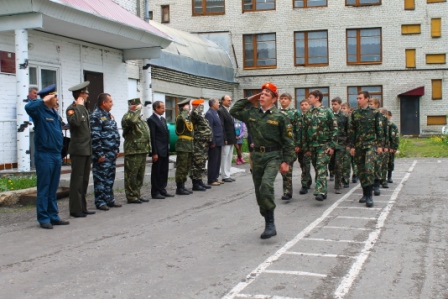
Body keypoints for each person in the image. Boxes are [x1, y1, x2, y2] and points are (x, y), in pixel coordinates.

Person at [230, 82, 295, 239]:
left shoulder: (280, 117)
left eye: (266, 94)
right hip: (257, 156)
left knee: (266, 185)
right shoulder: (252, 113)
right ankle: (266, 217)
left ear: (273, 100)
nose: (262, 96)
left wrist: (287, 161)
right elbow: (234, 110)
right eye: (261, 94)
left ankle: (270, 225)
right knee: (260, 191)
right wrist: (251, 98)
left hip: (273, 156)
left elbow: (289, 141)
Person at [25, 84, 69, 229]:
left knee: (53, 187)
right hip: (44, 155)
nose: (57, 99)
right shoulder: (40, 111)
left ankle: (53, 216)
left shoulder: (54, 113)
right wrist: (42, 100)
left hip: (56, 154)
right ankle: (43, 218)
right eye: (55, 96)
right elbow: (28, 108)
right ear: (48, 97)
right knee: (44, 187)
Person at [348, 91, 384, 208]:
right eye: (357, 98)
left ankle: (369, 196)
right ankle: (365, 193)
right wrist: (352, 146)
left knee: (369, 169)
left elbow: (379, 129)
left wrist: (380, 145)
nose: (358, 100)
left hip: (371, 145)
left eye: (360, 98)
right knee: (361, 171)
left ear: (367, 99)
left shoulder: (374, 113)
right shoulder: (355, 113)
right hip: (359, 146)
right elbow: (352, 131)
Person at [66, 81, 96, 218]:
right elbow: (75, 122)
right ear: (80, 95)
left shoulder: (83, 109)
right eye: (86, 93)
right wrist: (78, 106)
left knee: (84, 180)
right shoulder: (73, 109)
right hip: (78, 150)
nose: (88, 95)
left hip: (86, 149)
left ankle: (82, 207)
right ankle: (75, 209)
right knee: (76, 180)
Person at [302, 90, 338, 201]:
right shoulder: (308, 112)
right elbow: (304, 131)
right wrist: (306, 148)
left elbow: (334, 129)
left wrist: (332, 146)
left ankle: (320, 192)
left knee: (321, 166)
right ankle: (323, 189)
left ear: (317, 98)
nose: (308, 99)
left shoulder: (327, 111)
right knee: (317, 168)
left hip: (324, 145)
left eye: (310, 97)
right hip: (312, 146)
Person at [90, 93, 121, 210]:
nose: (112, 104)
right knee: (100, 178)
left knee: (110, 177)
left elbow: (114, 132)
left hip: (111, 152)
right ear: (104, 103)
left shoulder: (109, 116)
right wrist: (99, 153)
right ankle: (100, 201)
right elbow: (95, 136)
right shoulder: (96, 116)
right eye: (110, 102)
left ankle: (109, 199)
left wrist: (116, 149)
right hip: (103, 153)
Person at [121, 98, 151, 204]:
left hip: (142, 150)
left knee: (139, 174)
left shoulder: (140, 118)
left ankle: (137, 194)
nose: (140, 108)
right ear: (133, 107)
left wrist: (149, 147)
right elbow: (132, 121)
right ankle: (131, 196)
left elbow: (146, 133)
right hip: (133, 150)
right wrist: (137, 110)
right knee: (131, 175)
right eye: (138, 106)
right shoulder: (128, 117)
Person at [147, 101, 174, 199]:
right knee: (156, 172)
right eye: (162, 108)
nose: (164, 109)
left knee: (164, 171)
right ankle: (155, 191)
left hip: (165, 150)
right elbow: (152, 137)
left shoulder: (162, 119)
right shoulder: (151, 120)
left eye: (164, 107)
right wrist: (154, 152)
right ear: (156, 109)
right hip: (158, 150)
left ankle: (162, 189)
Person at [278, 92, 301, 200]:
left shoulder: (295, 113)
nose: (283, 100)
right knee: (282, 169)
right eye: (281, 99)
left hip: (290, 145)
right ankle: (287, 190)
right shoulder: (276, 113)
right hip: (279, 145)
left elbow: (298, 129)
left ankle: (287, 192)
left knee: (288, 167)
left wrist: (298, 144)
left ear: (290, 100)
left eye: (285, 99)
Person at [190, 99, 213, 191]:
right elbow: (194, 115)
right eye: (201, 105)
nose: (202, 107)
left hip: (204, 143)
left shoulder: (201, 115)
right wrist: (196, 108)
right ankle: (195, 183)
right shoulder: (194, 114)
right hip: (198, 143)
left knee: (202, 162)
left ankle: (199, 181)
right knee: (197, 162)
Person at [175, 99, 194, 195]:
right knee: (181, 167)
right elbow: (181, 120)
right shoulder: (180, 118)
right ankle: (179, 187)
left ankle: (183, 185)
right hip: (182, 146)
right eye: (188, 107)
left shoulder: (187, 119)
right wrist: (184, 111)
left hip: (189, 146)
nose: (189, 109)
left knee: (186, 167)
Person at [369, 98, 388, 195]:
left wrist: (384, 145)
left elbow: (385, 133)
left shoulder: (382, 117)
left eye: (371, 104)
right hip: (370, 144)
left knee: (377, 165)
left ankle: (377, 185)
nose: (370, 105)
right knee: (369, 166)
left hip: (378, 145)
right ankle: (370, 185)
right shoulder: (368, 116)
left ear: (377, 105)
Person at [331, 97, 350, 193]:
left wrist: (348, 144)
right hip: (331, 144)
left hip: (341, 143)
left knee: (339, 164)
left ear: (340, 105)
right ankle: (333, 177)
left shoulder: (345, 116)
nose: (333, 106)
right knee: (331, 164)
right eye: (332, 104)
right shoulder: (329, 115)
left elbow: (349, 131)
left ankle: (338, 184)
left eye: (335, 104)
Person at [205, 98, 225, 186]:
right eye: (217, 103)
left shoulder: (215, 113)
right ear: (213, 104)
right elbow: (210, 128)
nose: (219, 104)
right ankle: (211, 179)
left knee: (217, 160)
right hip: (214, 141)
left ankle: (215, 177)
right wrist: (212, 141)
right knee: (213, 160)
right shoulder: (209, 114)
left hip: (219, 140)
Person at [218, 95, 237, 182]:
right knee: (224, 156)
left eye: (231, 100)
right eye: (228, 100)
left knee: (229, 156)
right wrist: (224, 138)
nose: (230, 102)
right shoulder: (221, 110)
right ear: (223, 101)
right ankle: (224, 175)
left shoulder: (228, 110)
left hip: (231, 137)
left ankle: (228, 174)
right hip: (226, 138)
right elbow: (222, 126)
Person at [298, 99, 312, 194]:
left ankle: (304, 185)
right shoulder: (298, 117)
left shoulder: (312, 117)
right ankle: (308, 180)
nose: (304, 106)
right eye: (302, 105)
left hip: (310, 145)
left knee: (306, 165)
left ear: (309, 105)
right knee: (302, 164)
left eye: (306, 104)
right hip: (300, 145)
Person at [386, 111, 399, 183]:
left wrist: (394, 147)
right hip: (383, 147)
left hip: (390, 147)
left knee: (390, 162)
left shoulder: (392, 126)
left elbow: (395, 138)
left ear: (390, 116)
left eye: (387, 115)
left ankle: (389, 176)